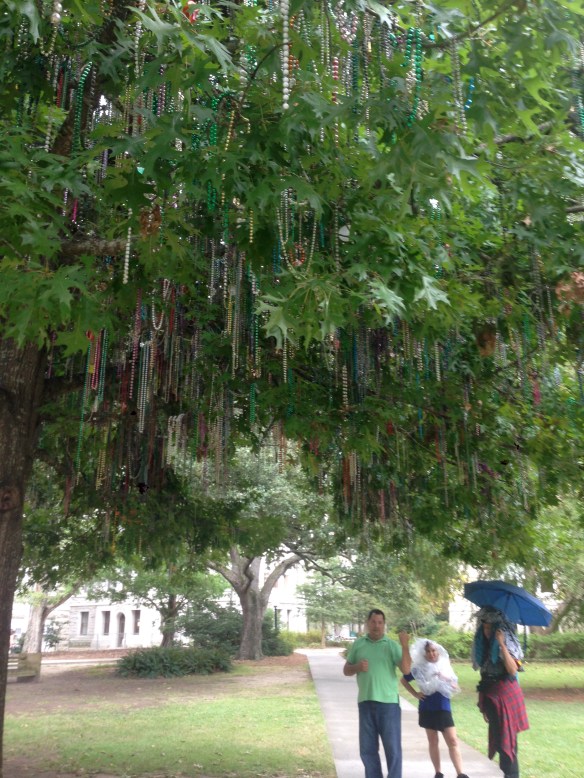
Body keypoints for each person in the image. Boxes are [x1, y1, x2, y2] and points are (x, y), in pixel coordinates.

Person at [343, 609, 411, 778]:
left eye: (380, 623)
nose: (376, 626)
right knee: (367, 750)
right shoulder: (359, 644)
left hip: (388, 705)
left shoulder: (391, 646)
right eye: (373, 622)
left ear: (384, 625)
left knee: (392, 749)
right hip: (365, 703)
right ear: (368, 623)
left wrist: (404, 646)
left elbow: (406, 669)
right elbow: (346, 670)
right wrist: (357, 667)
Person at [472, 605, 529, 778]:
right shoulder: (484, 643)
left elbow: (512, 670)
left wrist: (502, 645)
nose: (487, 630)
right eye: (485, 626)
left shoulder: (507, 642)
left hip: (505, 697)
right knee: (500, 741)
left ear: (498, 626)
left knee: (508, 745)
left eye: (490, 626)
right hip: (492, 698)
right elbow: (484, 672)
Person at [400, 638, 469, 778]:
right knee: (433, 741)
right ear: (424, 654)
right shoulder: (419, 668)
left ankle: (460, 773)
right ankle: (438, 772)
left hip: (443, 706)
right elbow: (403, 680)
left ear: (438, 651)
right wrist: (415, 694)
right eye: (428, 651)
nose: (432, 654)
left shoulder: (444, 665)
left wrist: (447, 680)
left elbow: (454, 684)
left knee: (453, 740)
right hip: (427, 707)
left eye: (434, 650)